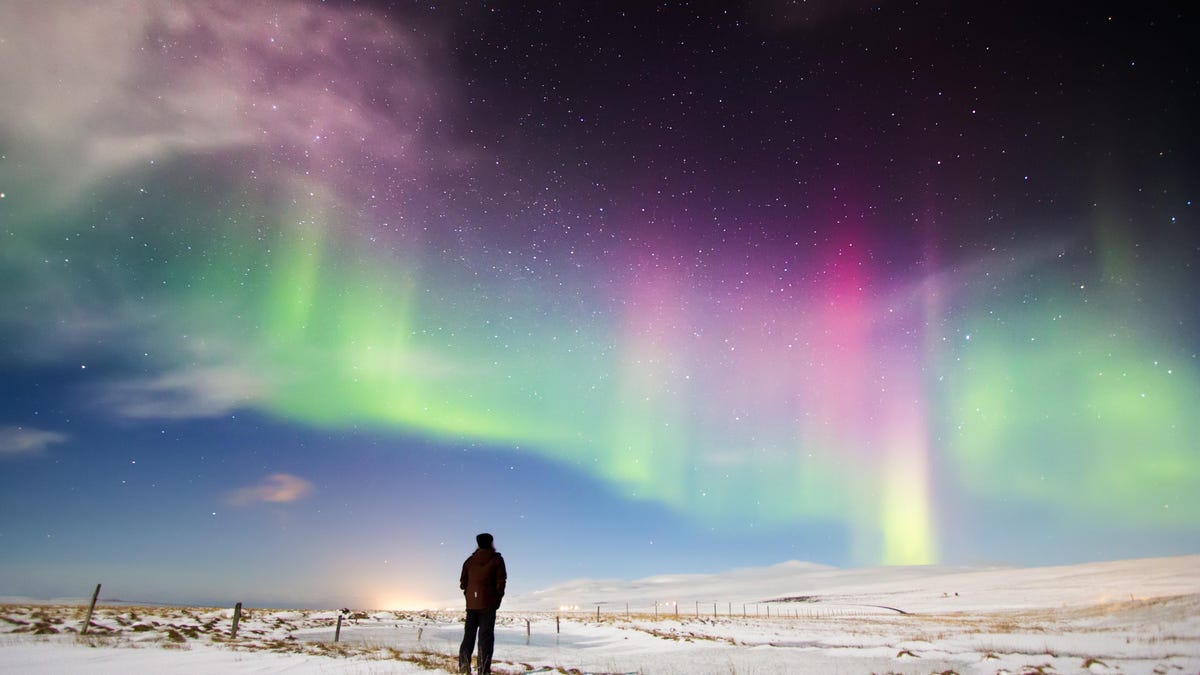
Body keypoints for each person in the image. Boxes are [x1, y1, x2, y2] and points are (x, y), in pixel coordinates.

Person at [457, 532, 506, 674]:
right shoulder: (497, 559)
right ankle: (483, 670)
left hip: (471, 606)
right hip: (488, 605)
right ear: (491, 543)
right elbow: (501, 582)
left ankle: (464, 666)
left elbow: (462, 583)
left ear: (478, 544)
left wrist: (469, 595)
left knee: (468, 637)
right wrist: (497, 599)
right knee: (485, 638)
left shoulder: (469, 561)